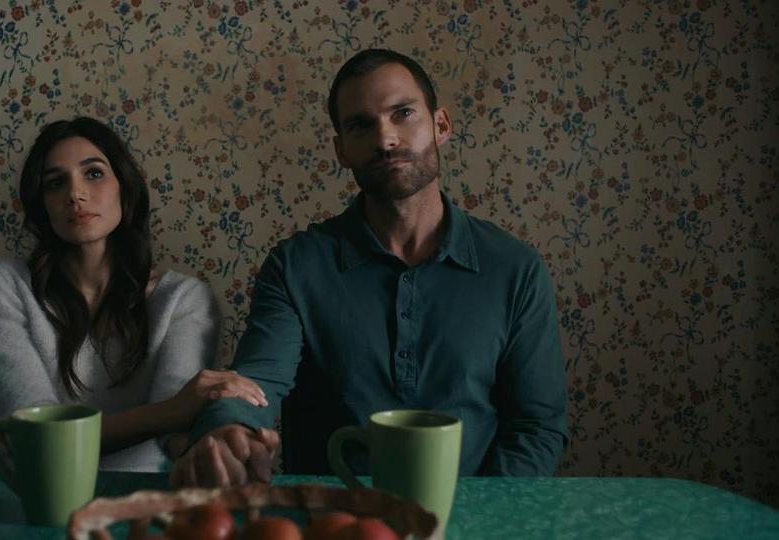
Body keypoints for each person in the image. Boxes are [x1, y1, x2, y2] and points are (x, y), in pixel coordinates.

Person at [171, 49, 569, 487]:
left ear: (441, 125)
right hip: (331, 515)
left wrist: (480, 515)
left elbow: (536, 426)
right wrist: (229, 433)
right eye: (361, 125)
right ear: (341, 150)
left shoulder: (515, 269)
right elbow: (256, 385)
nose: (386, 139)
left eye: (403, 113)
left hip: (473, 513)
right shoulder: (296, 266)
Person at [0, 117, 268, 472]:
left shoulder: (182, 299)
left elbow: (175, 434)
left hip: (142, 493)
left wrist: (228, 442)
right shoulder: (4, 288)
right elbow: (37, 434)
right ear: (41, 205)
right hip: (35, 492)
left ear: (124, 186)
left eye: (93, 173)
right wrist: (170, 412)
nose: (75, 194)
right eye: (55, 182)